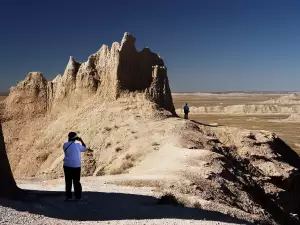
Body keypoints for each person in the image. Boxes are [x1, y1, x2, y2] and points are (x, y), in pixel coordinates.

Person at [63, 132, 87, 201]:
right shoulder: (78, 145)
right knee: (76, 181)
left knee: (68, 181)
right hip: (76, 166)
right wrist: (81, 140)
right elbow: (85, 148)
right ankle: (78, 196)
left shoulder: (65, 145)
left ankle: (69, 196)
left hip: (67, 165)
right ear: (76, 138)